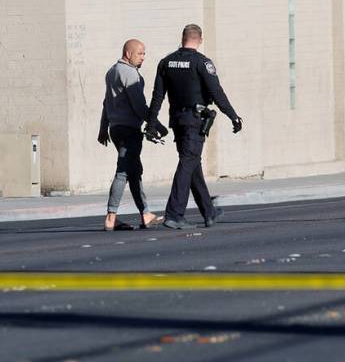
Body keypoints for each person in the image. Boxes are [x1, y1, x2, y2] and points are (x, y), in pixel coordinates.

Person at [146, 24, 242, 230]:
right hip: (194, 120)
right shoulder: (201, 62)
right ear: (200, 39)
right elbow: (216, 92)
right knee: (188, 162)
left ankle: (209, 212)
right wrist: (233, 116)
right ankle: (174, 214)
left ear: (182, 38)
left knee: (192, 165)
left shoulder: (166, 62)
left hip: (177, 121)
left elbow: (157, 96)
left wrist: (151, 123)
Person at [98, 39, 163, 231]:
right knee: (124, 171)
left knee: (134, 172)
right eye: (140, 53)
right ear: (128, 53)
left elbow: (106, 102)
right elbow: (139, 106)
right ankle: (111, 217)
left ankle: (145, 214)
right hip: (129, 130)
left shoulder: (112, 71)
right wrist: (156, 124)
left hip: (116, 128)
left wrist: (103, 127)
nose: (143, 57)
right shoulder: (129, 73)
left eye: (144, 53)